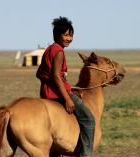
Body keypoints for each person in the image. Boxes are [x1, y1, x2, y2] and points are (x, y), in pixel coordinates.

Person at [36, 16, 95, 157]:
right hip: (56, 94)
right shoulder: (59, 52)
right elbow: (57, 76)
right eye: (66, 35)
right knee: (89, 120)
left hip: (46, 92)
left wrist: (69, 88)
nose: (69, 38)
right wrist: (67, 98)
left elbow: (40, 73)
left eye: (71, 35)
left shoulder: (50, 49)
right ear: (57, 35)